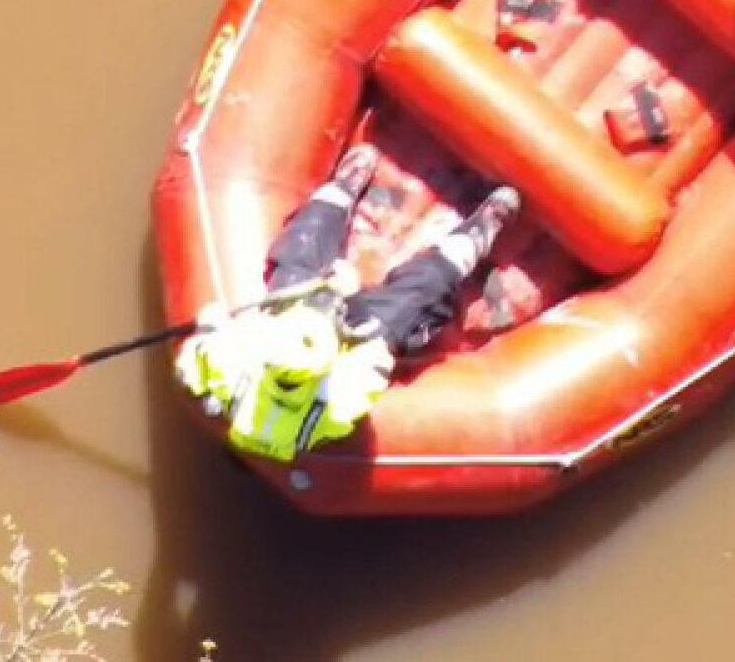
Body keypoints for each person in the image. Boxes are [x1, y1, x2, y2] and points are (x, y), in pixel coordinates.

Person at [175, 144, 520, 463]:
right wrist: (345, 303)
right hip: (355, 337)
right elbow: (377, 361)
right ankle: (475, 236)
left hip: (296, 307)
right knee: (419, 294)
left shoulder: (231, 366)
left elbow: (191, 361)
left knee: (299, 251)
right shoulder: (337, 401)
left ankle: (340, 192)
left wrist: (214, 324)